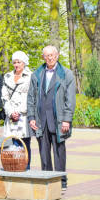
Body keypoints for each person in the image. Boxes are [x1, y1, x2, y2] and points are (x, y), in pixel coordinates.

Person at [27, 46, 76, 189]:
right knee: (43, 151)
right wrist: (31, 117)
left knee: (59, 150)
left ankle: (61, 180)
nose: (49, 58)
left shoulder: (66, 74)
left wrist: (67, 119)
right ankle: (46, 179)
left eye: (52, 55)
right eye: (47, 55)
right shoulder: (37, 74)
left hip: (59, 119)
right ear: (43, 57)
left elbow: (70, 99)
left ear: (57, 56)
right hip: (41, 119)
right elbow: (31, 97)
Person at [1, 51, 33, 170]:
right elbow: (4, 96)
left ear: (24, 63)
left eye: (18, 62)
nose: (16, 65)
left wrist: (19, 111)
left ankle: (26, 167)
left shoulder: (30, 76)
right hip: (11, 115)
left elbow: (31, 96)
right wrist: (10, 112)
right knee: (13, 142)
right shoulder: (7, 76)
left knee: (24, 142)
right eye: (14, 62)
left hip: (23, 115)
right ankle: (14, 165)